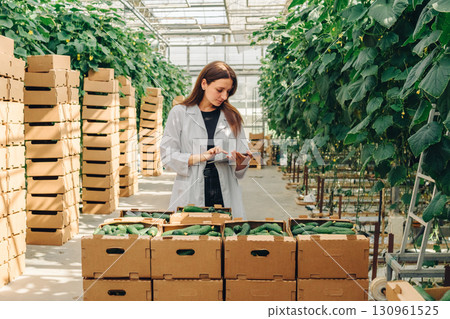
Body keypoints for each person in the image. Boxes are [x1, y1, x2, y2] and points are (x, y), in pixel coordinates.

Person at [160, 61, 252, 218]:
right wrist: (200, 157)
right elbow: (167, 155)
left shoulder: (232, 117)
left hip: (224, 189)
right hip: (191, 188)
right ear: (204, 83)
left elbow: (241, 170)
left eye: (228, 92)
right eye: (219, 90)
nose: (224, 96)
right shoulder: (180, 113)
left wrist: (241, 161)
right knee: (192, 235)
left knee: (226, 234)